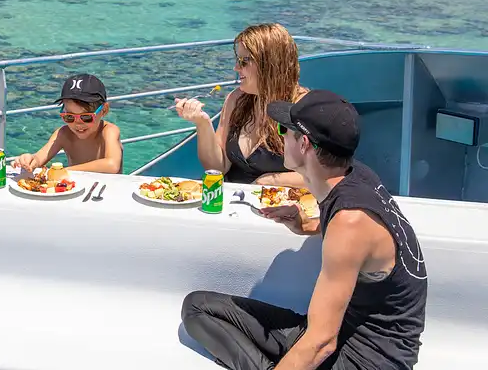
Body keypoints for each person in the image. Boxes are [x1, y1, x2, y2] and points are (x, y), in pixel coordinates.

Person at [181, 90, 427, 370]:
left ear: (305, 144)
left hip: (369, 360)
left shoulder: (351, 221)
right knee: (198, 307)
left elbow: (322, 343)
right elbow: (364, 241)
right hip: (346, 335)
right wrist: (306, 224)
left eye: (283, 130)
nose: (280, 136)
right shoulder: (355, 176)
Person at [174, 23, 306, 186]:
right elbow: (217, 167)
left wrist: (266, 182)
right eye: (238, 60)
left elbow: (325, 175)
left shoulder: (303, 107)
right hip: (232, 202)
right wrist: (202, 123)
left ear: (270, 64)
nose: (236, 68)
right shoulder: (237, 99)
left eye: (244, 61)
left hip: (277, 205)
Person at [13, 74, 122, 173]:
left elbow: (112, 165)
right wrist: (29, 160)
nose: (78, 123)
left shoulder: (109, 131)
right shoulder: (64, 134)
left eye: (86, 117)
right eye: (69, 117)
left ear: (104, 110)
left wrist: (64, 171)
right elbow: (39, 158)